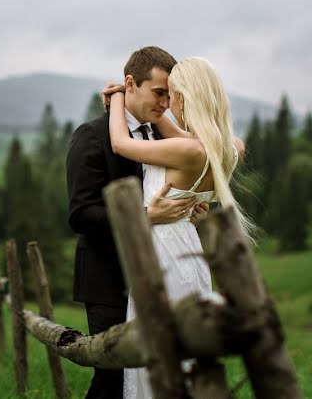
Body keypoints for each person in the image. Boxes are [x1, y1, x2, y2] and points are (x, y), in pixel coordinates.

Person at [66, 46, 210, 399]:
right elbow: (81, 214)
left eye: (169, 96)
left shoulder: (163, 137)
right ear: (130, 84)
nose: (165, 104)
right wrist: (145, 218)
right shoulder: (91, 136)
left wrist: (190, 211)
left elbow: (171, 193)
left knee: (160, 371)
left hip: (160, 274)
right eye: (158, 93)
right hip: (109, 277)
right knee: (113, 375)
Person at [105, 55, 252, 399]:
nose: (167, 104)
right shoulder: (231, 148)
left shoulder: (187, 151)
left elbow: (121, 144)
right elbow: (180, 135)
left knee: (159, 346)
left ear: (185, 98)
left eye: (172, 95)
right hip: (190, 248)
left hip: (162, 253)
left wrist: (115, 100)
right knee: (186, 346)